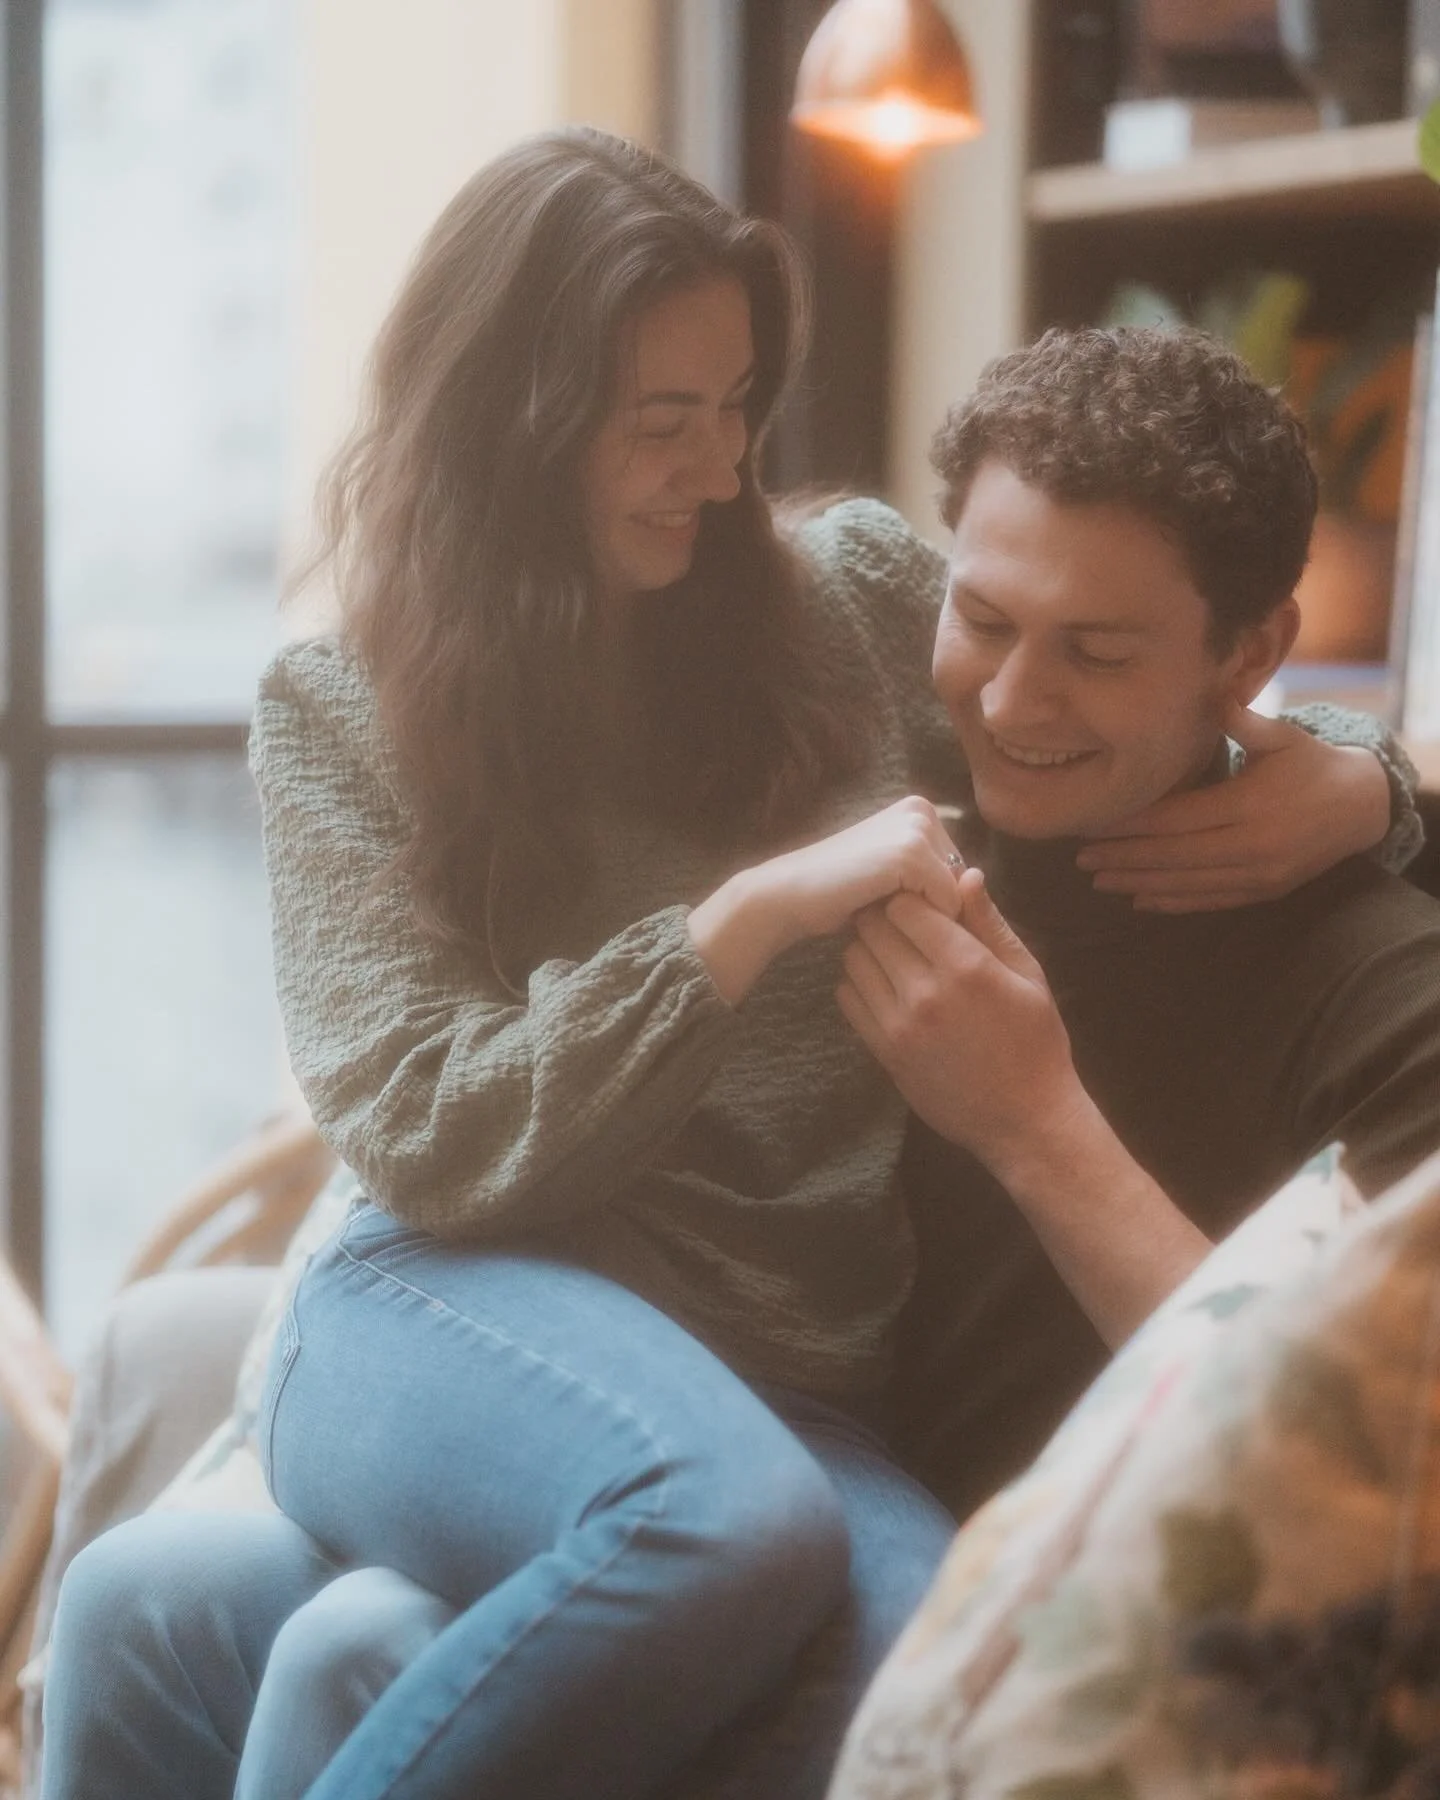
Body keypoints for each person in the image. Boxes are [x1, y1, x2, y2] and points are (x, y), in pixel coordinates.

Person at [37, 137, 1420, 1800]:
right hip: (457, 1305)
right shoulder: (341, 709)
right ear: (515, 413)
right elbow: (428, 1130)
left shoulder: (842, 601)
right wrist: (746, 919)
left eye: (736, 405)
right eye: (659, 418)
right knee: (696, 1523)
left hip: (789, 1382)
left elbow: (1151, 708)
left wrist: (1377, 781)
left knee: (909, 1681)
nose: (716, 465)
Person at [837, 326, 1440, 1520]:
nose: (1010, 702)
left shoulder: (1384, 996)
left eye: (1098, 653)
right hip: (791, 1559)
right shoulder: (871, 867)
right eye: (986, 620)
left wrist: (1032, 1124)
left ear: (1253, 653)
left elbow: (1361, 1474)